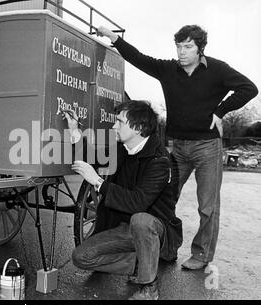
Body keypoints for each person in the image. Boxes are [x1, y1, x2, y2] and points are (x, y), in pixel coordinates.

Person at [96, 25, 258, 270]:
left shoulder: (218, 70)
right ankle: (167, 248)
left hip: (207, 146)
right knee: (163, 200)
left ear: (200, 48)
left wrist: (220, 111)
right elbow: (139, 59)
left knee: (207, 206)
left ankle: (202, 255)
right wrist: (115, 39)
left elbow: (249, 88)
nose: (182, 52)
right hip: (177, 147)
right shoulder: (169, 69)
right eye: (179, 46)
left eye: (188, 47)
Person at [63, 100, 183, 300]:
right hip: (124, 229)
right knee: (80, 257)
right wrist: (74, 130)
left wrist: (98, 182)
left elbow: (138, 203)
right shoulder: (122, 149)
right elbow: (92, 157)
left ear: (138, 128)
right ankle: (143, 263)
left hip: (157, 231)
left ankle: (148, 287)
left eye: (119, 122)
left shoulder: (160, 161)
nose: (114, 126)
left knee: (141, 220)